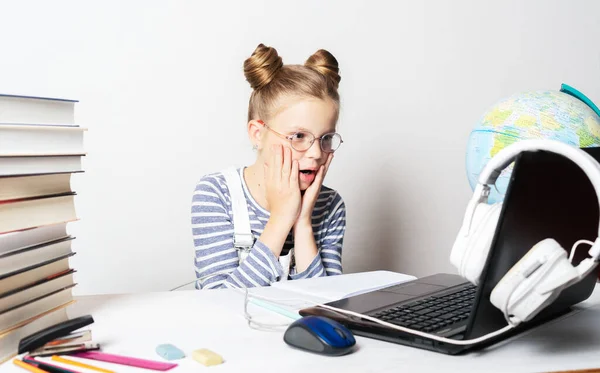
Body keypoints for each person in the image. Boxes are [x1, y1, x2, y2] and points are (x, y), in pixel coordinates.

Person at [191, 43, 346, 289]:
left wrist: (303, 222)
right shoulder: (216, 193)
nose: (316, 153)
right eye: (298, 136)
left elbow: (330, 305)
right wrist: (282, 217)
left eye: (326, 138)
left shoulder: (330, 206)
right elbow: (217, 303)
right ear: (258, 134)